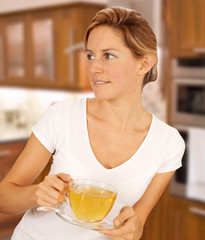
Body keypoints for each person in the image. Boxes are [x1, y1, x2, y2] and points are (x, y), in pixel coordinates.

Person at [0, 6, 185, 240]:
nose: (94, 68)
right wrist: (37, 193)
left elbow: (137, 224)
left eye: (108, 55)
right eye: (90, 55)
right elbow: (4, 198)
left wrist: (133, 230)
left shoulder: (168, 144)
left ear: (144, 64)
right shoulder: (61, 116)